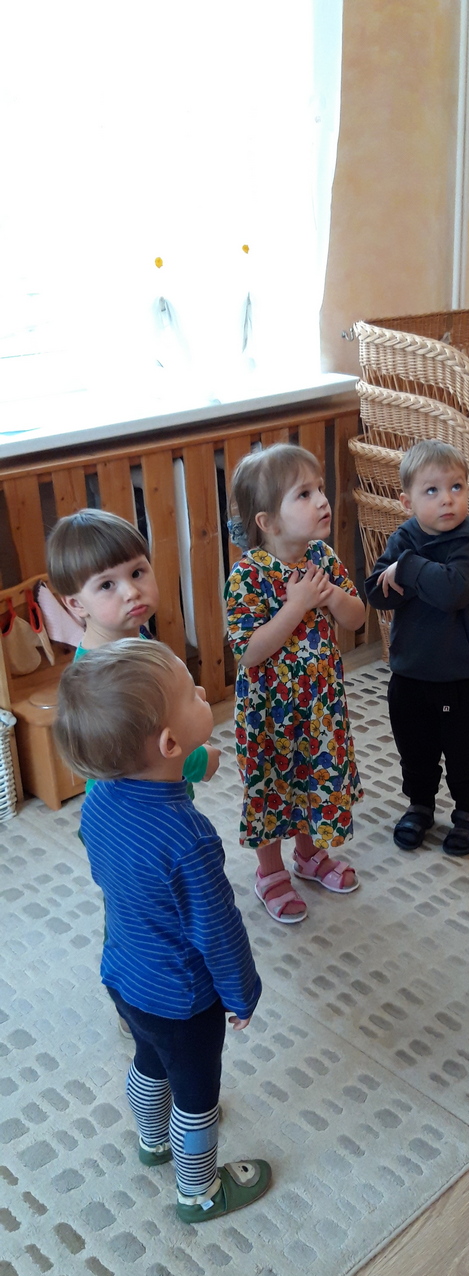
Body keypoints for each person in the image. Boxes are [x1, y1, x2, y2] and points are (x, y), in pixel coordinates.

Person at [54, 638, 272, 1223]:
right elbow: (218, 930)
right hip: (183, 999)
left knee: (149, 1060)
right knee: (197, 1094)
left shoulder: (99, 803)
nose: (203, 690)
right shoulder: (188, 838)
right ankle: (198, 1193)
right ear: (171, 745)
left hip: (124, 975)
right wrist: (242, 991)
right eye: (191, 693)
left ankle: (152, 1141)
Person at [225, 443, 365, 923]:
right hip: (270, 715)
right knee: (272, 788)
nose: (322, 500)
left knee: (312, 779)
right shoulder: (247, 575)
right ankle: (270, 873)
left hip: (320, 707)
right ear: (267, 522)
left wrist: (330, 597)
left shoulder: (322, 557)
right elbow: (249, 651)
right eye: (304, 494)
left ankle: (309, 856)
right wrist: (297, 605)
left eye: (320, 488)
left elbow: (356, 616)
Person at [365, 439, 469, 856]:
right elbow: (377, 592)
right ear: (407, 502)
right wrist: (409, 573)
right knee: (415, 749)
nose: (447, 499)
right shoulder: (403, 537)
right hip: (411, 672)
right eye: (432, 491)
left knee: (466, 753)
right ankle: (420, 805)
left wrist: (408, 568)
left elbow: (453, 591)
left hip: (464, 676)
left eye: (457, 487)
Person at [46, 508, 220, 794]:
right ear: (76, 604)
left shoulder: (135, 639)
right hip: (136, 805)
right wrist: (199, 760)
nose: (131, 592)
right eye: (107, 584)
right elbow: (142, 747)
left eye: (137, 572)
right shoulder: (101, 678)